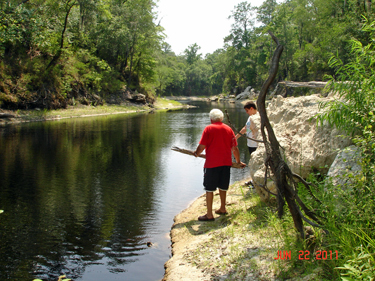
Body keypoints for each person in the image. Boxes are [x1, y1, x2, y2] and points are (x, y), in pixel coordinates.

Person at [193, 109, 246, 221]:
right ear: (221, 118)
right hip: (226, 163)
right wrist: (238, 161)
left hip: (212, 164)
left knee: (209, 189)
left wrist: (196, 153)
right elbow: (234, 148)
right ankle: (222, 208)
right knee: (223, 186)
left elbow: (202, 146)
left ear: (211, 118)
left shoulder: (209, 128)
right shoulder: (228, 129)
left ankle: (209, 214)